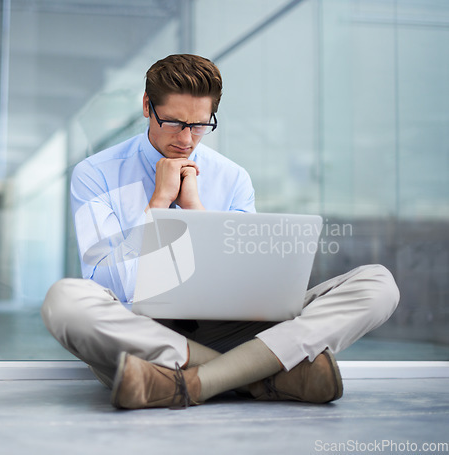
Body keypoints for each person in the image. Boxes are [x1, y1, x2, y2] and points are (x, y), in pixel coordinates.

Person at [41, 54, 400, 410]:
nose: (187, 139)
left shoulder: (232, 178)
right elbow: (110, 284)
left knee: (378, 284)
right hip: (145, 332)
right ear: (148, 107)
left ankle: (193, 382)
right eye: (174, 122)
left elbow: (250, 285)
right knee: (65, 300)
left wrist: (196, 211)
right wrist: (159, 205)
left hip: (231, 330)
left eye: (199, 125)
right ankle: (261, 375)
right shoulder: (96, 175)